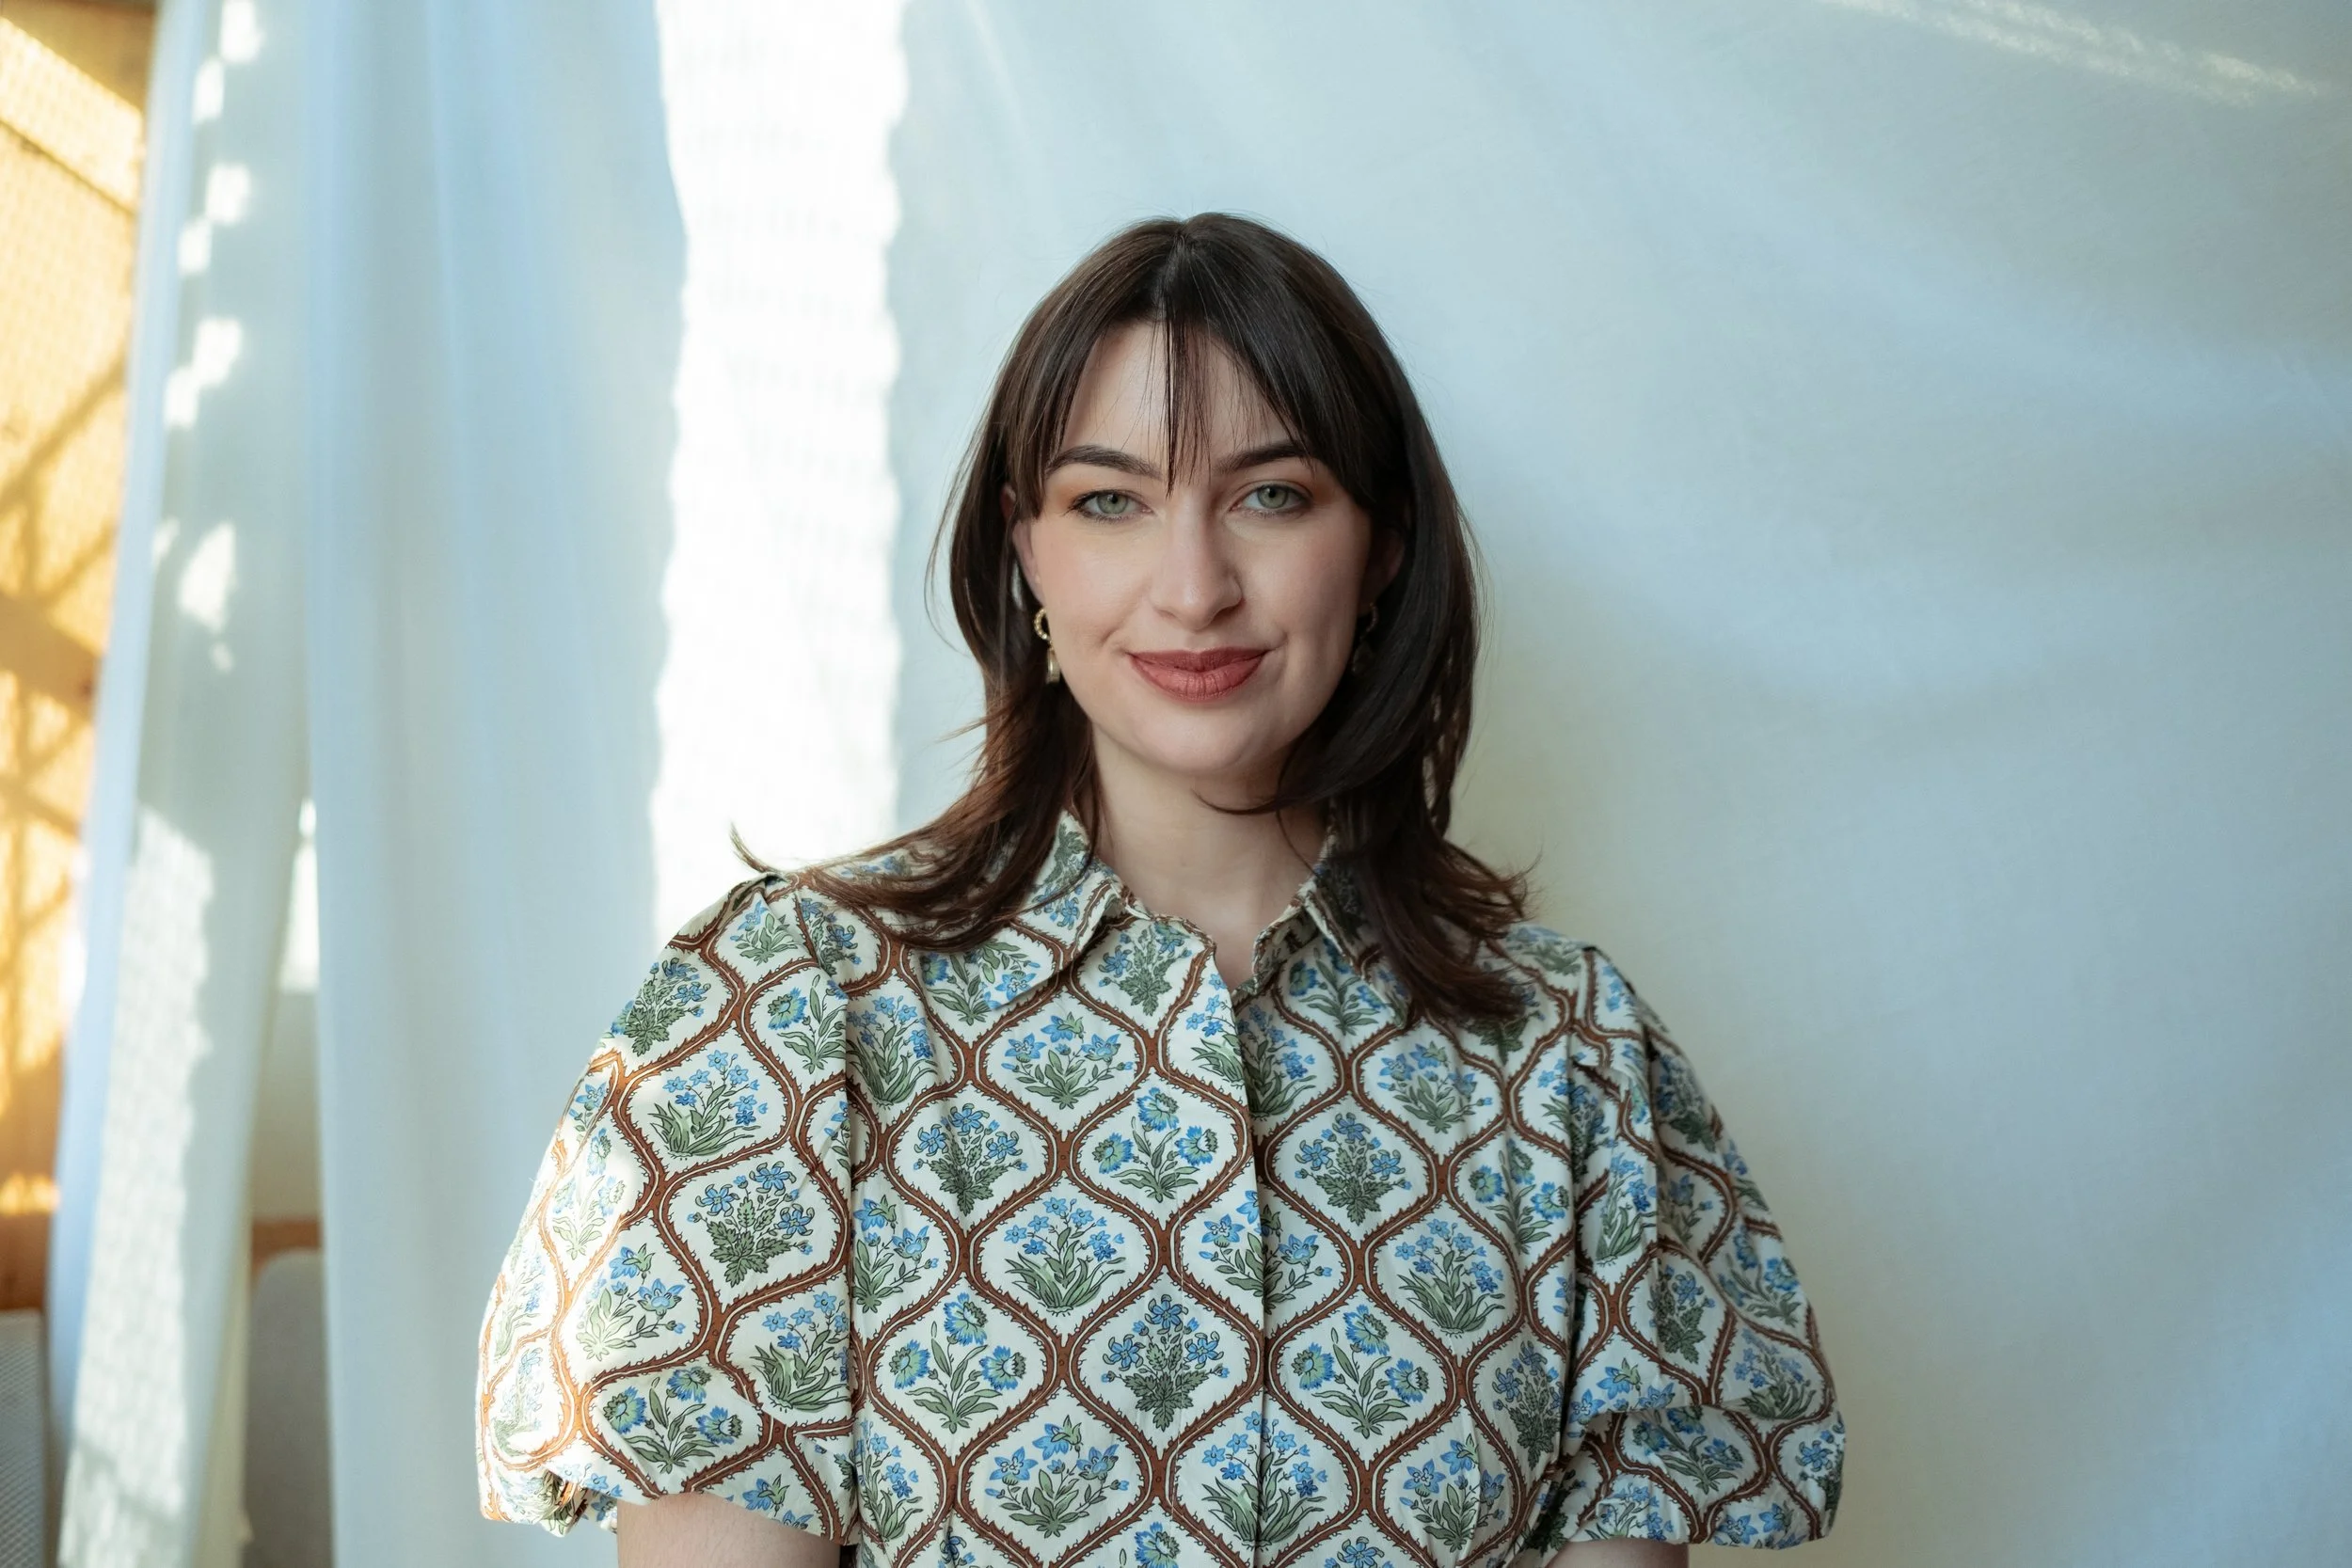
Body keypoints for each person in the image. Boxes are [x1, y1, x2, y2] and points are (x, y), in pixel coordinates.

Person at [475, 214, 1844, 1568]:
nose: (1194, 590)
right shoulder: (786, 1020)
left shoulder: (1569, 1059)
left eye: (1272, 495)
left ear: (1381, 548)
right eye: (1110, 502)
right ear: (1027, 552)